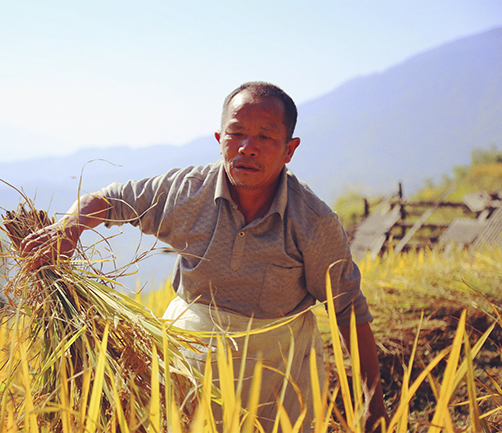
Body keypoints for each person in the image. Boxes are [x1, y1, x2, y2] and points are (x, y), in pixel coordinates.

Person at [22, 81, 388, 431]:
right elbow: (106, 200)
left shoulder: (313, 222)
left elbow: (348, 312)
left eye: (264, 136)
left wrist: (374, 407)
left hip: (278, 369)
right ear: (219, 140)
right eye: (236, 133)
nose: (247, 147)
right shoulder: (185, 192)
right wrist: (68, 228)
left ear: (289, 149)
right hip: (190, 357)